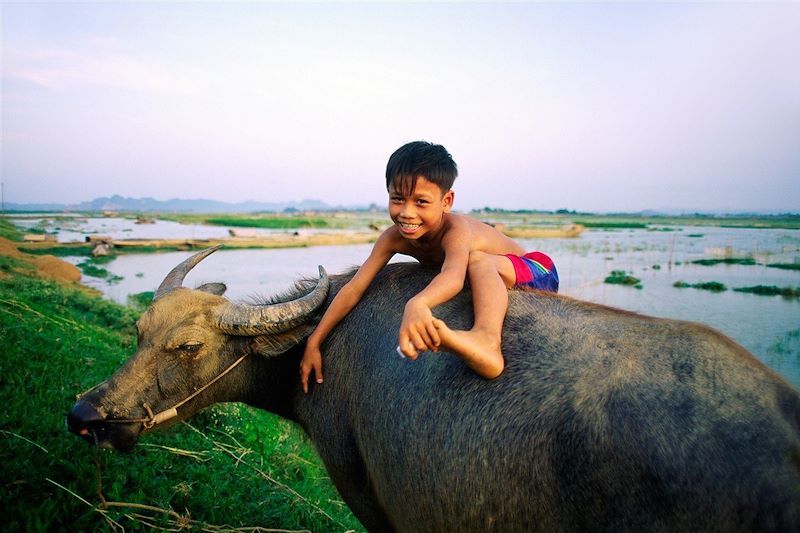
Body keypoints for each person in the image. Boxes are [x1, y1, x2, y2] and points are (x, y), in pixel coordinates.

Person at [300, 141, 558, 392]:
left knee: (478, 260)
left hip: (536, 268)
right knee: (477, 262)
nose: (407, 213)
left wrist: (418, 303)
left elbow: (453, 275)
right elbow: (354, 288)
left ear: (447, 201)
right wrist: (315, 340)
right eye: (398, 199)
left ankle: (487, 340)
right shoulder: (392, 238)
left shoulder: (456, 231)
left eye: (421, 202)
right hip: (503, 270)